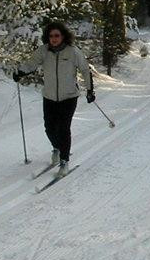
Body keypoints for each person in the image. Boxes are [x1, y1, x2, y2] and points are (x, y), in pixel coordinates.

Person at [13, 21, 94, 177]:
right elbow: (31, 64)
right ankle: (57, 148)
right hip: (49, 96)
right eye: (51, 36)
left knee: (63, 129)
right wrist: (20, 72)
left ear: (63, 36)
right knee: (49, 128)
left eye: (57, 35)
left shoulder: (73, 52)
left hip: (69, 97)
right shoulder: (44, 51)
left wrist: (90, 90)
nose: (54, 39)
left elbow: (85, 69)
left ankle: (64, 161)